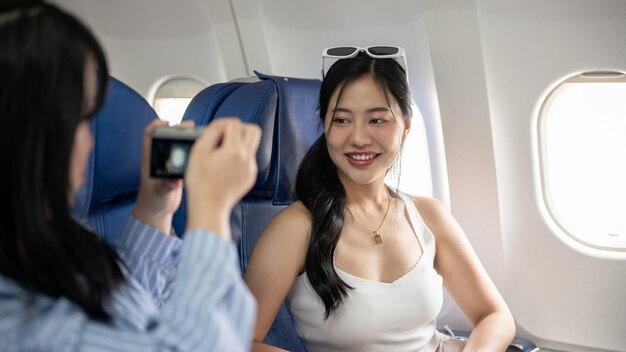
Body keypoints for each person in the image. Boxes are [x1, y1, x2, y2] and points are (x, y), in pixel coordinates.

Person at [0, 2, 260, 351]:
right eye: (81, 117)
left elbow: (124, 314)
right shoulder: (22, 322)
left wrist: (155, 208)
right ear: (32, 132)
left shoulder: (45, 237)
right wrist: (211, 210)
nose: (90, 140)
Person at [244, 46, 516, 352]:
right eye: (342, 120)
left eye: (377, 120)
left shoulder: (427, 215)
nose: (359, 138)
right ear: (325, 127)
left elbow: (494, 315)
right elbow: (237, 343)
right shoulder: (296, 228)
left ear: (406, 128)